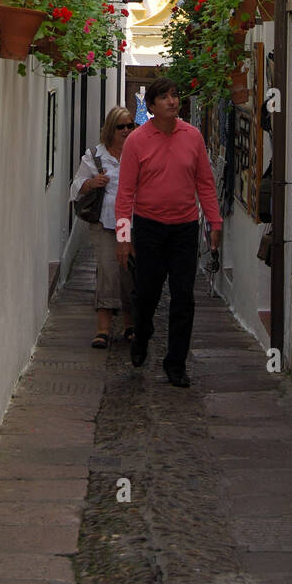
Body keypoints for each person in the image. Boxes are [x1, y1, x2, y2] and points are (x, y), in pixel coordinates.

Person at [114, 76, 222, 387]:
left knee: (183, 297)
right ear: (151, 106)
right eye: (164, 97)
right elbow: (125, 193)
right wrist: (124, 237)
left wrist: (215, 223)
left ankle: (176, 364)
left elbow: (205, 183)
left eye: (175, 96)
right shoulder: (136, 141)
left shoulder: (193, 137)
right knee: (146, 294)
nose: (172, 101)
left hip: (184, 229)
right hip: (148, 228)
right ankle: (141, 335)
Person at [70, 106, 136, 349]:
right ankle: (103, 328)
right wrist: (92, 183)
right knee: (108, 271)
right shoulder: (95, 156)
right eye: (122, 126)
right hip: (105, 221)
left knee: (129, 273)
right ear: (111, 129)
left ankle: (130, 324)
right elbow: (76, 187)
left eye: (130, 125)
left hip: (131, 221)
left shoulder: (138, 152)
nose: (127, 130)